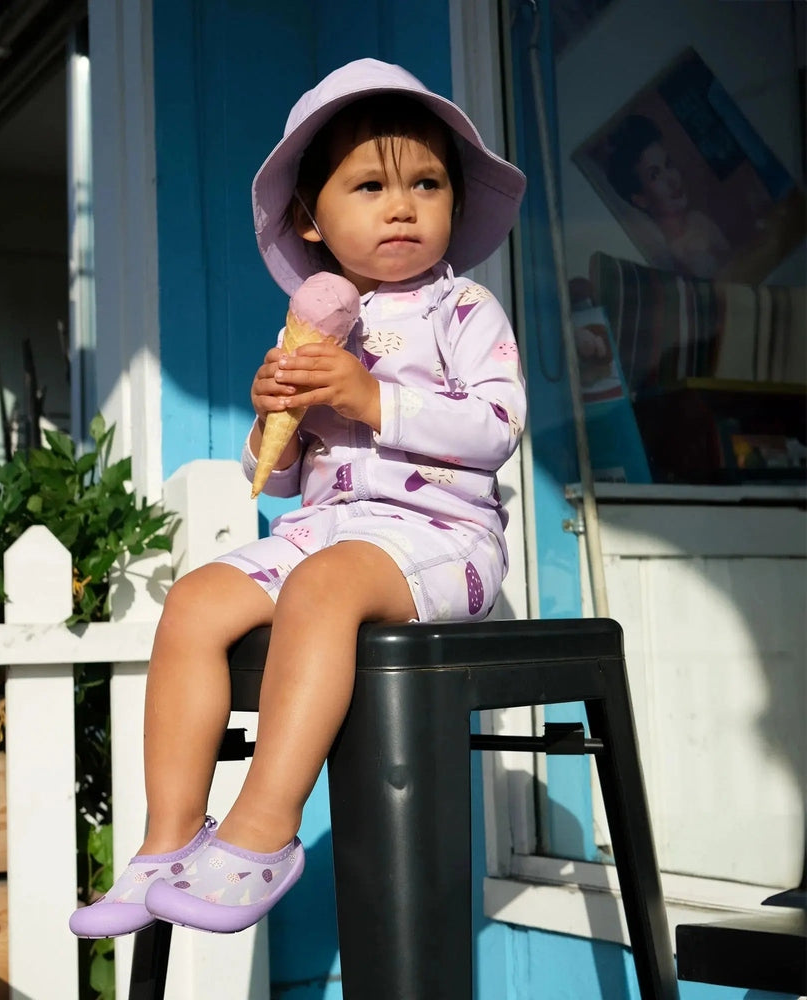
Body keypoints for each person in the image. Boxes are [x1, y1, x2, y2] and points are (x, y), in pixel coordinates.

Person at [68, 57, 527, 939]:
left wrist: (370, 398)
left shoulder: (464, 310)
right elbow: (278, 480)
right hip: (323, 531)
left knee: (326, 586)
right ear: (312, 220)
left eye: (427, 184)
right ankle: (169, 838)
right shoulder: (315, 326)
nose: (403, 207)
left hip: (442, 539)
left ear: (455, 203)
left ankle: (264, 826)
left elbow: (497, 427)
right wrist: (271, 416)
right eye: (370, 187)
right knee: (195, 600)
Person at [604, 113, 731, 278]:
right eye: (655, 175)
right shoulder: (661, 258)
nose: (672, 179)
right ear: (640, 199)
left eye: (668, 164)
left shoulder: (699, 221)